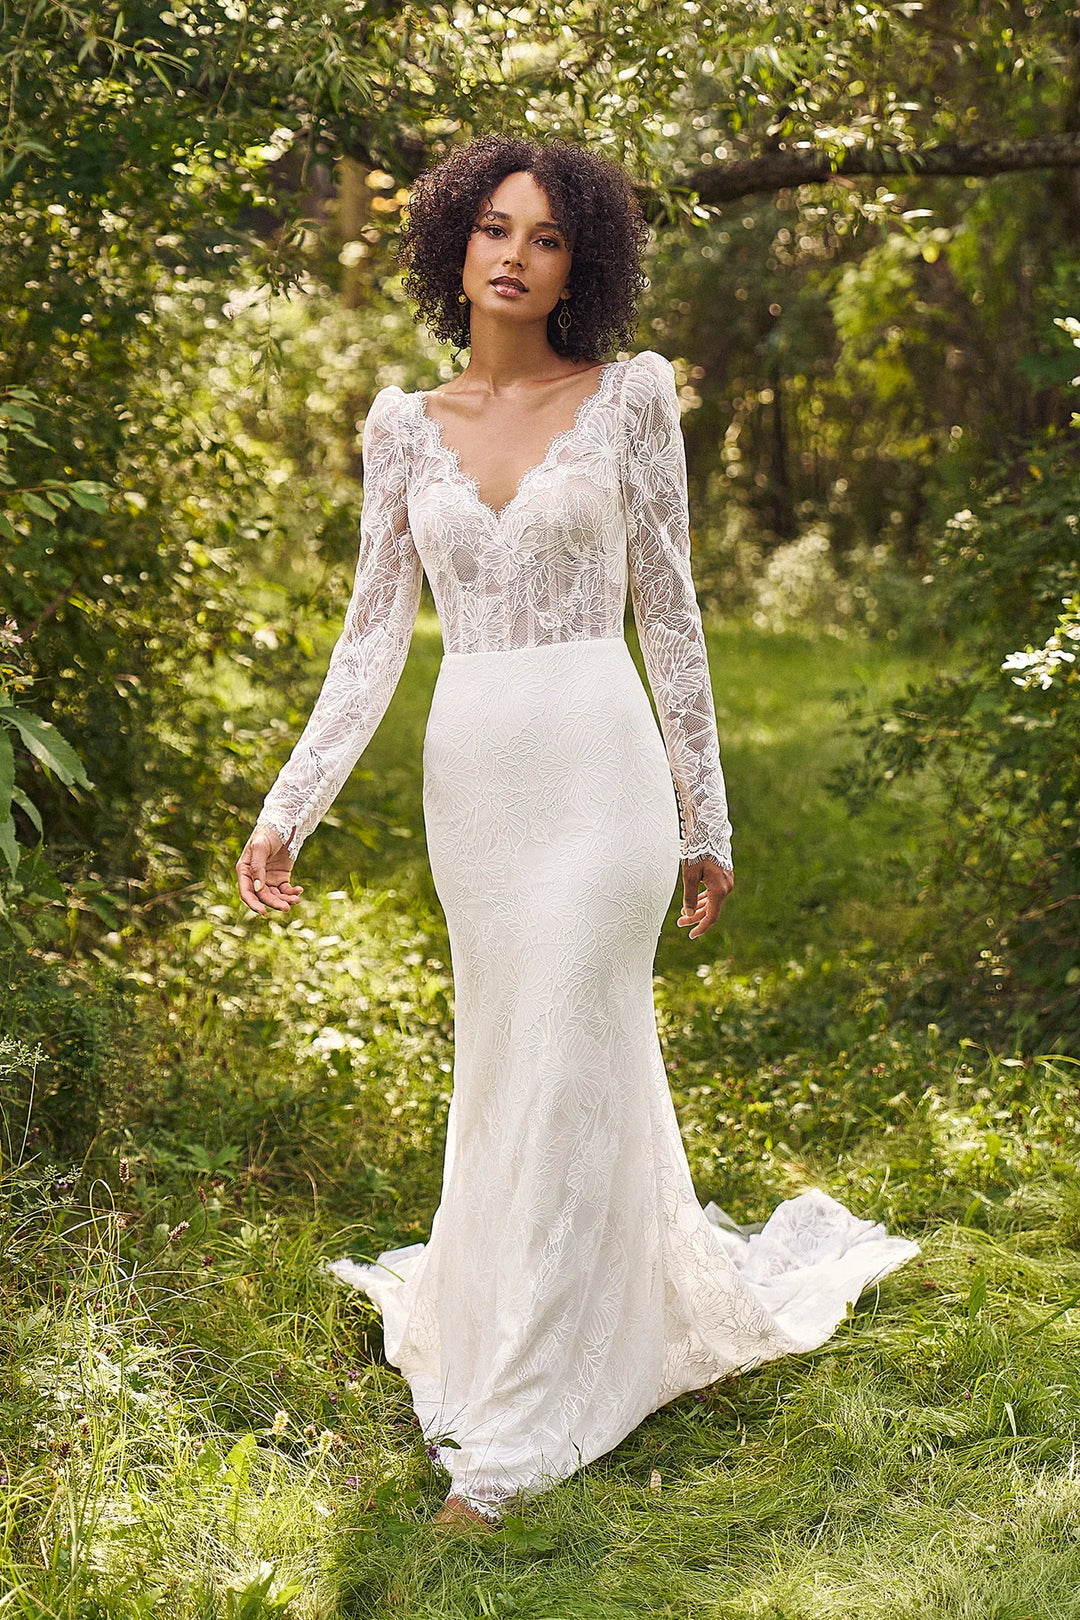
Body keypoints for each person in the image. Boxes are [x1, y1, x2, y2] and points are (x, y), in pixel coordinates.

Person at [236, 133, 919, 1531]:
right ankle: (539, 1314)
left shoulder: (630, 401)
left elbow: (669, 612)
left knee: (560, 1035)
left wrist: (701, 814)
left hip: (601, 775)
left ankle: (510, 1451)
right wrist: (286, 808)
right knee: (516, 1062)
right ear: (451, 244)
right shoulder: (399, 424)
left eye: (546, 237)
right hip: (476, 783)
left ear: (579, 262)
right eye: (494, 226)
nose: (513, 253)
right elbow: (370, 644)